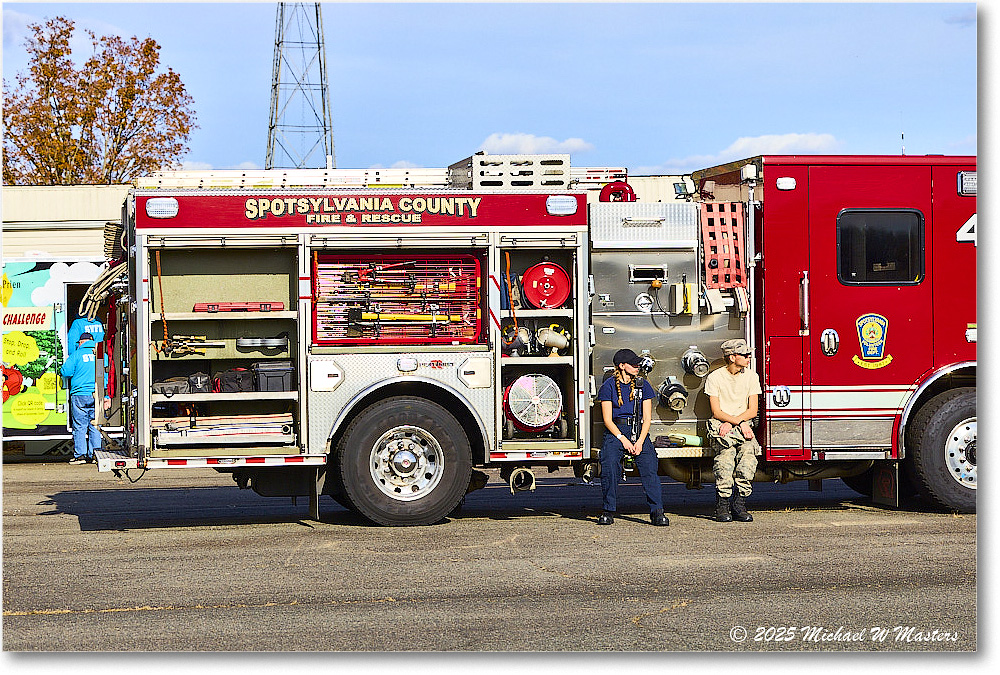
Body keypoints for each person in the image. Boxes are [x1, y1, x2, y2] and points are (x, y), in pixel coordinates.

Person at [595, 348, 668, 526]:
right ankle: (608, 510)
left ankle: (657, 511)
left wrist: (641, 442)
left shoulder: (643, 385)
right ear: (621, 366)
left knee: (650, 467)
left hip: (639, 430)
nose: (637, 367)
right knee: (610, 465)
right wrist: (623, 439)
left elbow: (647, 418)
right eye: (633, 364)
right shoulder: (608, 386)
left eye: (638, 364)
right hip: (617, 431)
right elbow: (607, 419)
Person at [705, 338, 762, 523]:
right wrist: (737, 422)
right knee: (725, 459)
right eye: (745, 355)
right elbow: (716, 411)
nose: (749, 357)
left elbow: (753, 410)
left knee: (748, 456)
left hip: (741, 426)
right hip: (723, 427)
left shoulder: (752, 376)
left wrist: (738, 423)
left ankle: (740, 503)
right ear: (731, 357)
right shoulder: (715, 378)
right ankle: (722, 505)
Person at [60, 333, 109, 464]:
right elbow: (107, 376)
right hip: (97, 394)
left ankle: (80, 456)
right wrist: (107, 396)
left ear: (81, 342)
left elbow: (66, 372)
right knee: (95, 424)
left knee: (80, 426)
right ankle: (95, 454)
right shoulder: (101, 355)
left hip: (79, 394)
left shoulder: (76, 355)